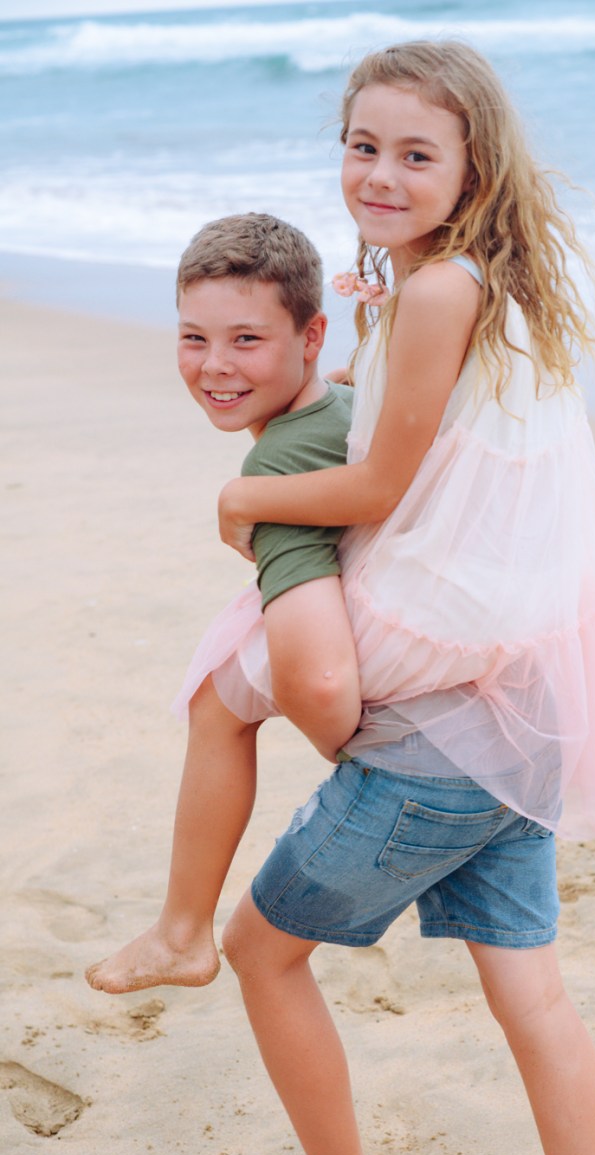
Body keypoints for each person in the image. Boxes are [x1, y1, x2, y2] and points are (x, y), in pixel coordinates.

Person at [215, 40, 595, 1155]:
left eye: (416, 154)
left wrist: (246, 493)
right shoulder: (471, 285)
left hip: (447, 737)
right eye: (364, 147)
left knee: (259, 947)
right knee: (535, 997)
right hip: (522, 718)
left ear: (473, 167)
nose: (383, 173)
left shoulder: (441, 291)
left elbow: (384, 484)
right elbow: (429, 433)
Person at [85, 214, 360, 994]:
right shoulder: (343, 396)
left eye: (245, 340)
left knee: (216, 703)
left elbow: (324, 683)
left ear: (311, 338)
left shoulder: (279, 463)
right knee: (216, 698)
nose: (213, 365)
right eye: (193, 338)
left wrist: (348, 751)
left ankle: (181, 931)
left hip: (376, 665)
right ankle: (179, 929)